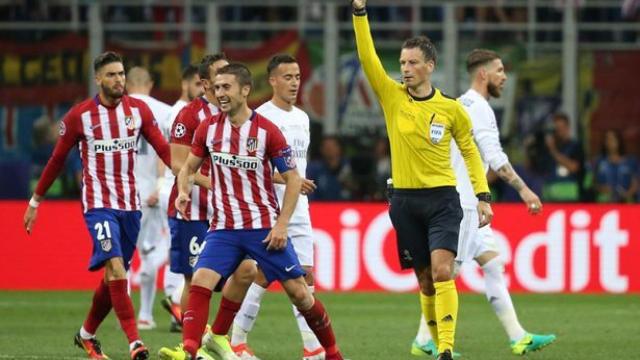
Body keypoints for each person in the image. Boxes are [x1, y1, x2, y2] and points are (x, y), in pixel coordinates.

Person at [158, 63, 345, 360]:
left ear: (245, 90)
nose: (220, 93)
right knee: (201, 281)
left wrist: (281, 225)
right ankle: (192, 350)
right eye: (217, 88)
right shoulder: (208, 128)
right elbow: (188, 168)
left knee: (300, 293)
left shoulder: (266, 131)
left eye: (226, 87)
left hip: (262, 229)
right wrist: (182, 191)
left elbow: (293, 178)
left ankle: (332, 353)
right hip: (223, 229)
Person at [351, 2, 493, 359]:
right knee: (426, 279)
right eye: (402, 63)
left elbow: (471, 151)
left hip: (443, 199)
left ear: (431, 66)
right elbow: (368, 57)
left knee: (444, 271)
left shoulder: (450, 109)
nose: (406, 69)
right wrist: (359, 14)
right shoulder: (391, 97)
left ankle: (446, 348)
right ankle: (431, 343)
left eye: (413, 62)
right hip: (404, 203)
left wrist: (482, 193)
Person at [23, 51, 171, 360]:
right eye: (112, 75)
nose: (119, 80)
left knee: (112, 277)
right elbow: (56, 160)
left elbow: (163, 148)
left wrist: (184, 176)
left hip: (131, 206)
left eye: (121, 74)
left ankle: (86, 335)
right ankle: (135, 343)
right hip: (98, 205)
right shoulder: (80, 116)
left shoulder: (138, 110)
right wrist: (36, 200)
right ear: (98, 79)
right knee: (115, 267)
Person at [411, 49, 557, 357]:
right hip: (461, 204)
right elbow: (496, 159)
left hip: (468, 200)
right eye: (500, 70)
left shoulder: (461, 104)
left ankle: (518, 336)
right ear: (483, 74)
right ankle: (424, 338)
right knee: (448, 273)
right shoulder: (478, 108)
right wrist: (525, 191)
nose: (504, 77)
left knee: (492, 263)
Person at [229, 54, 324, 360]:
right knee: (265, 275)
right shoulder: (260, 118)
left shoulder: (302, 118)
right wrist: (289, 179)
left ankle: (310, 349)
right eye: (287, 77)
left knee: (305, 275)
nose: (294, 82)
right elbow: (252, 168)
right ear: (272, 80)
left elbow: (298, 164)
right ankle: (238, 341)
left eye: (297, 76)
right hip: (271, 209)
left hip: (300, 208)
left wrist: (297, 182)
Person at [166, 53, 257, 343]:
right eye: (220, 74)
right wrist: (216, 183)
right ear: (205, 83)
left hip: (229, 213)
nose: (226, 78)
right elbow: (178, 165)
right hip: (193, 210)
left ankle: (217, 337)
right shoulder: (189, 115)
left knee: (246, 270)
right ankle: (188, 344)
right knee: (196, 279)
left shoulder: (238, 114)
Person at [125, 66, 173, 331]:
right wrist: (161, 185)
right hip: (150, 194)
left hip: (122, 194)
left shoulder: (117, 110)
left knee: (123, 257)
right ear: (150, 83)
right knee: (151, 252)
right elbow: (163, 152)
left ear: (126, 83)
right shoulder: (164, 111)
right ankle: (145, 314)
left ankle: (128, 317)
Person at [158, 64, 205, 333]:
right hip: (179, 191)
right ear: (186, 85)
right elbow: (174, 159)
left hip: (185, 190)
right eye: (197, 84)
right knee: (176, 259)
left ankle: (175, 301)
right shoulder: (180, 113)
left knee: (163, 251)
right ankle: (176, 302)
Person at [543, 112, 585, 201]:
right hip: (549, 196)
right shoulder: (549, 147)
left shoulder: (575, 146)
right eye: (556, 129)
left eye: (561, 128)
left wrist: (553, 151)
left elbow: (574, 167)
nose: (558, 131)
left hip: (568, 197)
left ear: (567, 128)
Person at [594, 129, 639, 203]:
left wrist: (627, 194)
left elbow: (635, 183)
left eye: (612, 139)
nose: (609, 142)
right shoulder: (598, 162)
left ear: (619, 141)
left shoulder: (630, 161)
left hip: (626, 203)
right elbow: (592, 183)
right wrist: (600, 188)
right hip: (604, 203)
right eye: (607, 139)